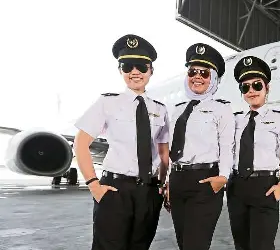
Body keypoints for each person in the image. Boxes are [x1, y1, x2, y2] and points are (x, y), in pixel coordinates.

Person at [73, 34, 169, 250]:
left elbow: (164, 154)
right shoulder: (107, 103)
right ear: (120, 71)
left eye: (141, 67)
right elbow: (80, 143)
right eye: (127, 66)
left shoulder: (160, 109)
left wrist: (162, 186)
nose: (135, 72)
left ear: (151, 71)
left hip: (148, 192)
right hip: (115, 191)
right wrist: (93, 185)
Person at [166, 43, 235, 250]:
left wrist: (222, 177)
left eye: (204, 73)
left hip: (205, 181)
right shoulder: (177, 110)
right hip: (178, 181)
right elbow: (172, 149)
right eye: (192, 71)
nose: (197, 77)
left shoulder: (221, 109)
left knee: (195, 245)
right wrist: (169, 181)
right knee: (183, 243)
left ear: (213, 79)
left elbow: (227, 146)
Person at [227, 56, 280, 250]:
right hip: (237, 187)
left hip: (265, 187)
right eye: (245, 87)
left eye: (257, 85)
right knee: (241, 245)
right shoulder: (235, 120)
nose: (251, 91)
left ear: (267, 88)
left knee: (262, 245)